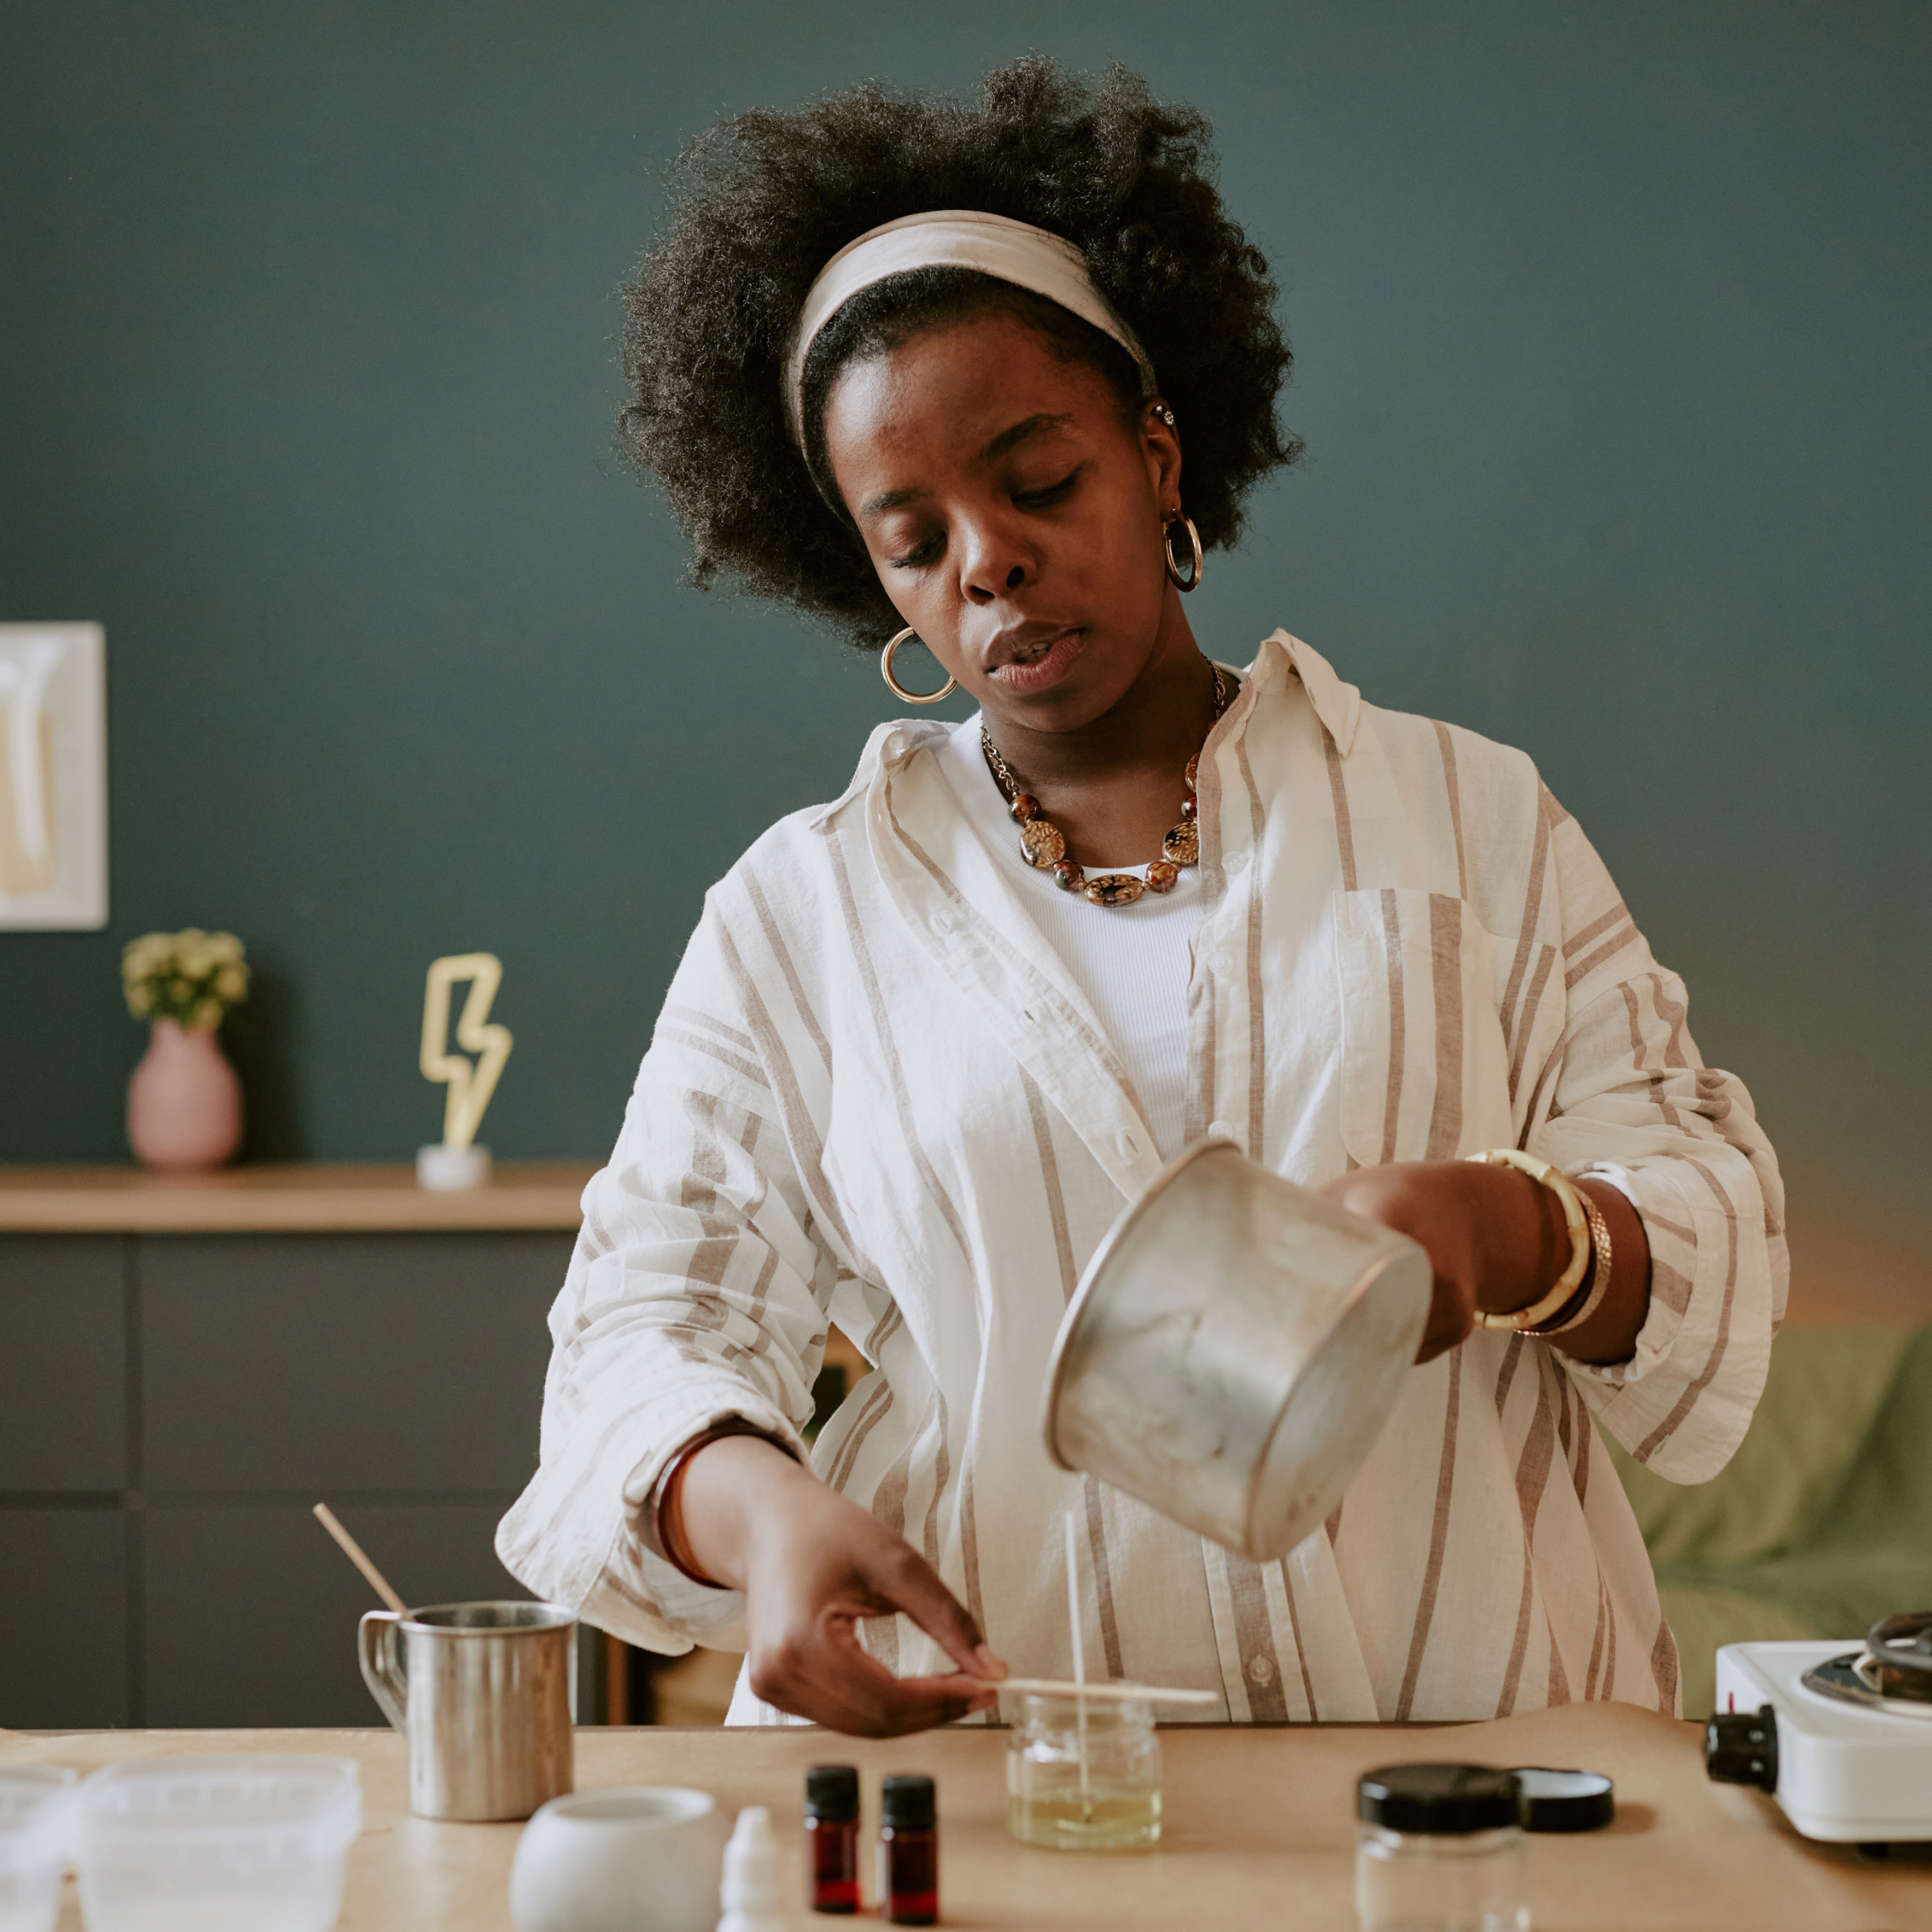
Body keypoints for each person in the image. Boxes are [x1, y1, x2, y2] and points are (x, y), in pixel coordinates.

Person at [497, 57, 1785, 1735]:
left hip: (1476, 1798)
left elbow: (1712, 1219)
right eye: (914, 537)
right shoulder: (804, 914)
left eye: (1037, 482)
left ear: (1160, 459)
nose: (987, 562)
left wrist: (1514, 1224)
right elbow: (639, 1323)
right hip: (1011, 1788)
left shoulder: (1469, 819)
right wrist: (760, 1513)